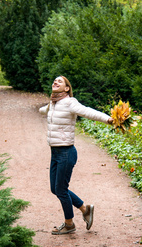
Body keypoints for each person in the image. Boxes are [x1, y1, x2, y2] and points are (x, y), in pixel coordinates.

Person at [39, 76, 114, 235]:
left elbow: (88, 112)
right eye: (54, 80)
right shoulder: (54, 103)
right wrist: (43, 110)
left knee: (61, 189)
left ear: (67, 88)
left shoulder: (70, 102)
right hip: (55, 152)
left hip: (66, 153)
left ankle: (69, 224)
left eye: (60, 81)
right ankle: (85, 209)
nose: (55, 82)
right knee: (55, 189)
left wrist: (108, 119)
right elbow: (44, 110)